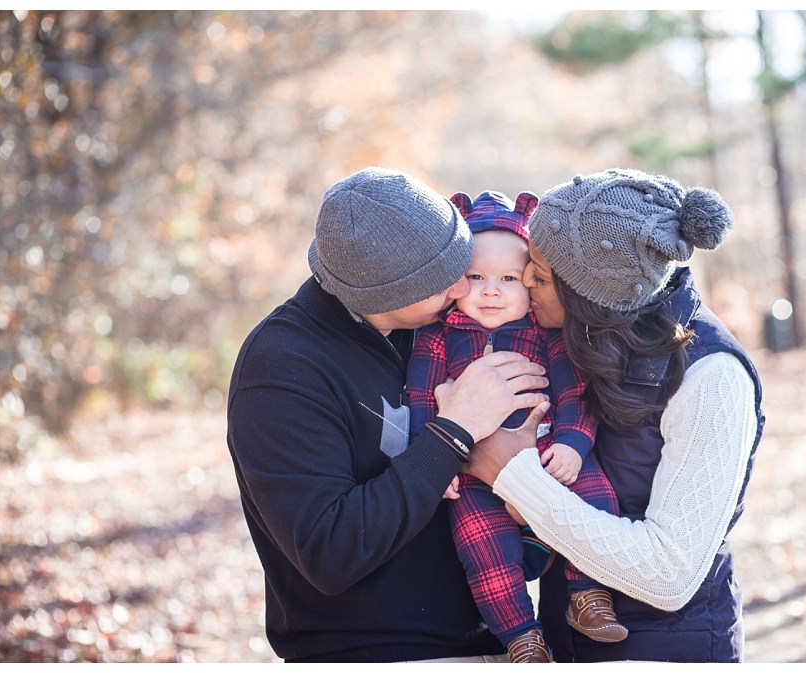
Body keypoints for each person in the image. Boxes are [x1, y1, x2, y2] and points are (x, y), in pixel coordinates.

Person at [226, 167, 552, 663]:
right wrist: (453, 434)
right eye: (448, 276)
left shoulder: (435, 326)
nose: (466, 287)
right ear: (386, 294)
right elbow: (330, 552)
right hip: (383, 653)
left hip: (501, 637)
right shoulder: (281, 368)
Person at [466, 168, 765, 663]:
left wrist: (512, 478)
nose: (524, 282)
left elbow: (670, 574)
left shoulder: (712, 377)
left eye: (539, 274)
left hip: (665, 649)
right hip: (573, 640)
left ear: (589, 292)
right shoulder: (590, 339)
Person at [406, 190, 627, 663]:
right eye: (476, 277)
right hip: (471, 471)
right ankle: (522, 637)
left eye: (507, 278)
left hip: (548, 453)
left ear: (531, 283)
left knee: (596, 495)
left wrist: (572, 443)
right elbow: (421, 400)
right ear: (454, 282)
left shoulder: (546, 333)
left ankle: (587, 595)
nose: (491, 290)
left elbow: (574, 394)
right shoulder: (437, 337)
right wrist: (435, 462)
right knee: (482, 547)